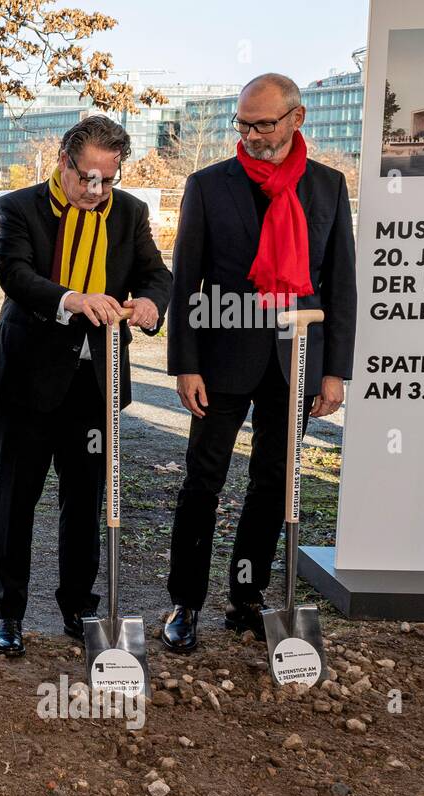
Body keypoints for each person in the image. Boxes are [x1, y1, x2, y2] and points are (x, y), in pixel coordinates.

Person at [161, 73, 356, 653]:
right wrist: (184, 364)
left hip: (295, 361)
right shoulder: (206, 185)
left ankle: (246, 595)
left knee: (274, 480)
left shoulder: (327, 187)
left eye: (263, 124)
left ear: (297, 119)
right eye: (242, 124)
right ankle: (186, 602)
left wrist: (334, 371)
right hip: (221, 359)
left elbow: (339, 286)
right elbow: (186, 281)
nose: (250, 135)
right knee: (203, 480)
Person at [0, 115, 172, 656]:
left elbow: (156, 273)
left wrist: (153, 303)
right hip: (28, 379)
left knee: (86, 499)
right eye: (86, 176)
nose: (95, 190)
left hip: (97, 380)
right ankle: (8, 614)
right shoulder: (17, 207)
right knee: (16, 500)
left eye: (107, 180)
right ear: (63, 163)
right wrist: (71, 299)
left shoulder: (130, 212)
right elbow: (15, 276)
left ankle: (80, 606)